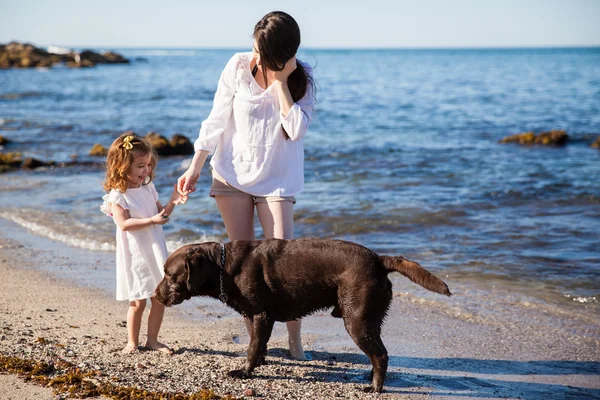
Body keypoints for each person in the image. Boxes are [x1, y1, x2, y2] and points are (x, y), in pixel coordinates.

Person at [177, 11, 316, 360]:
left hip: (277, 183)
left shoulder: (301, 81)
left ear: (281, 53)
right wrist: (195, 165)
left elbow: (296, 130)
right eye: (254, 46)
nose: (254, 55)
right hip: (231, 175)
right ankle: (258, 344)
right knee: (241, 268)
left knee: (286, 267)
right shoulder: (238, 66)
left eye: (261, 50)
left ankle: (295, 344)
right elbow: (216, 119)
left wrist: (281, 82)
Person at [101, 133, 187, 354]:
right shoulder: (118, 195)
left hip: (155, 250)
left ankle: (153, 340)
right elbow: (124, 224)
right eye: (140, 166)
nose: (146, 170)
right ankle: (132, 341)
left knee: (158, 298)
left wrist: (174, 200)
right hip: (135, 254)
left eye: (148, 165)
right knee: (137, 302)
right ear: (121, 166)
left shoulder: (148, 188)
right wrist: (151, 220)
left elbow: (161, 215)